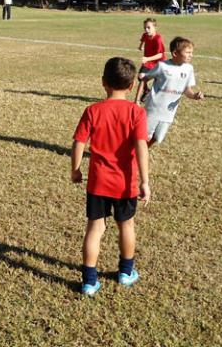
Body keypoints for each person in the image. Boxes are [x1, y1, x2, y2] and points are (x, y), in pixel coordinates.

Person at [70, 57, 149, 295]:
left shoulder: (93, 110)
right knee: (126, 225)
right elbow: (141, 147)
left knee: (95, 229)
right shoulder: (137, 112)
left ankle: (89, 281)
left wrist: (75, 169)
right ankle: (126, 272)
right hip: (125, 184)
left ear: (103, 82)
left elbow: (78, 142)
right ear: (132, 85)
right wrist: (145, 181)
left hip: (98, 183)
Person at [140, 37, 204, 147]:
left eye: (192, 52)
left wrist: (194, 96)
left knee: (158, 137)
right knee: (143, 135)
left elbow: (187, 90)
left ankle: (143, 151)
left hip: (169, 113)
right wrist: (140, 96)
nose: (191, 55)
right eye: (188, 52)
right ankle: (136, 155)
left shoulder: (189, 69)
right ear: (175, 53)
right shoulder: (162, 66)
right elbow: (145, 78)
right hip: (154, 108)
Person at [133, 18, 165, 103]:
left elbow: (160, 54)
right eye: (145, 28)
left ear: (155, 28)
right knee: (140, 76)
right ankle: (146, 91)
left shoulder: (158, 38)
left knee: (159, 82)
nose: (146, 30)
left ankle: (153, 97)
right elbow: (143, 40)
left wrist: (147, 58)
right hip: (148, 62)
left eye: (148, 27)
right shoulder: (145, 35)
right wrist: (140, 46)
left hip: (158, 63)